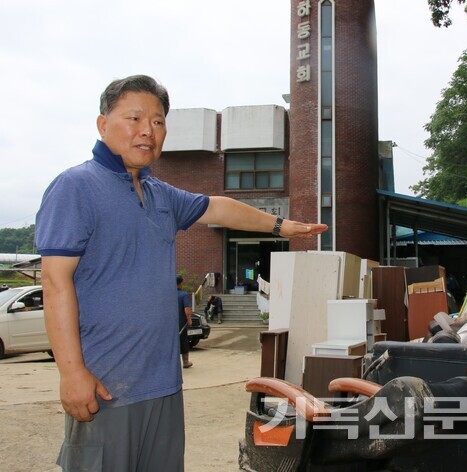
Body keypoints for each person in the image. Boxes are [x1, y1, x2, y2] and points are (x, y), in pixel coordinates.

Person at [35, 74, 327, 471]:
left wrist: (281, 227)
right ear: (103, 124)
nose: (147, 131)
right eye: (134, 118)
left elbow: (218, 207)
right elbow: (54, 282)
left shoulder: (160, 194)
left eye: (157, 122)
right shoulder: (76, 187)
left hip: (164, 385)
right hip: (106, 387)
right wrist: (71, 374)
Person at [177, 275, 193, 368]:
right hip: (181, 323)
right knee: (183, 342)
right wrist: (189, 320)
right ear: (181, 283)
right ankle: (185, 362)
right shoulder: (184, 294)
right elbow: (187, 309)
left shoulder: (169, 294)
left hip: (170, 323)